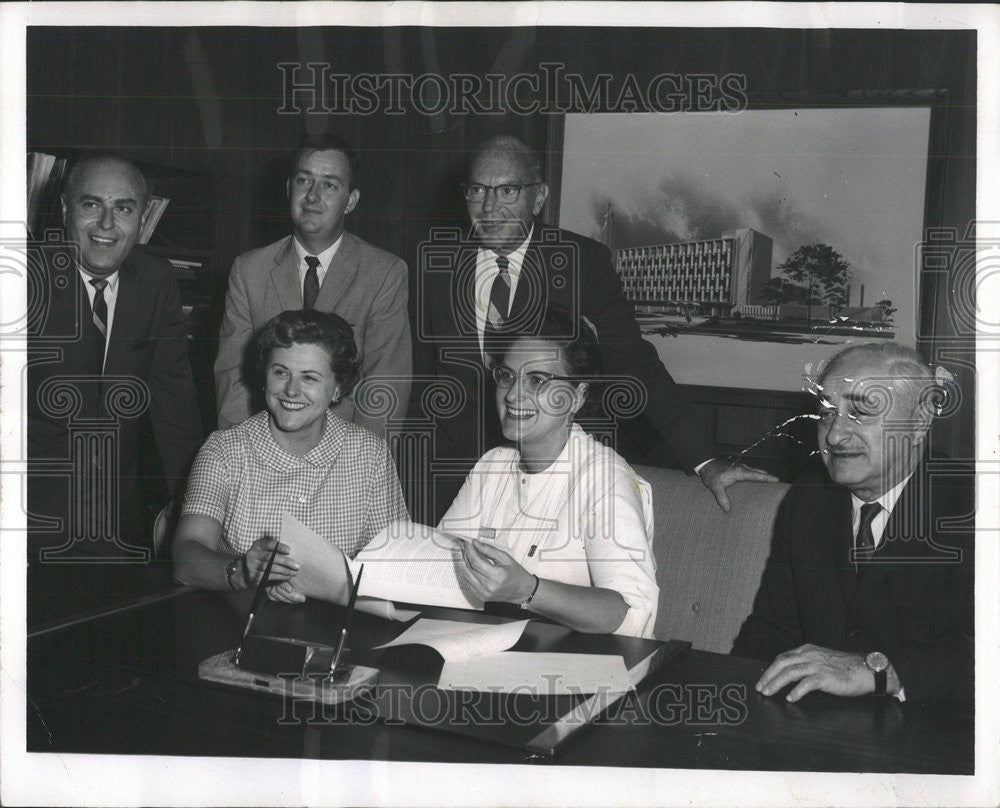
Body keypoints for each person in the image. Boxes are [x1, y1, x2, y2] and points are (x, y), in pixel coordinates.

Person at [413, 134, 773, 522]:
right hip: (451, 476)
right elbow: (417, 376)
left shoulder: (583, 262)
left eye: (508, 191)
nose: (489, 206)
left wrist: (704, 459)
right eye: (478, 190)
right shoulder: (436, 266)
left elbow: (634, 361)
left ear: (538, 198)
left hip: (554, 478)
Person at [731, 343, 973, 703]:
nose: (833, 435)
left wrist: (882, 672)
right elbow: (771, 629)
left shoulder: (975, 507)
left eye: (861, 411)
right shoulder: (808, 500)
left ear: (920, 422)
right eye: (827, 413)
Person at [439, 311, 659, 638]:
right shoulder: (492, 466)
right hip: (496, 652)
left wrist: (527, 590)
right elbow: (441, 564)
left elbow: (633, 613)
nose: (513, 394)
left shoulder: (604, 478)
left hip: (587, 668)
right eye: (506, 376)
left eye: (537, 380)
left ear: (578, 396)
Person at [27, 154, 203, 560]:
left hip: (116, 523)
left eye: (123, 208)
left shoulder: (156, 280)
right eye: (92, 205)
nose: (107, 224)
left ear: (143, 219)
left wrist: (194, 509)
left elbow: (174, 404)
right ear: (65, 209)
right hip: (27, 522)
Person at [174, 309, 408, 597]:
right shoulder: (224, 451)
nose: (291, 390)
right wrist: (241, 572)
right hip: (240, 622)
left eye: (309, 378)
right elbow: (186, 557)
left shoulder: (369, 455)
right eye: (281, 372)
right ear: (265, 376)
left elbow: (396, 563)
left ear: (337, 388)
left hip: (336, 626)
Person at [214, 133, 410, 437]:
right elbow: (233, 379)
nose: (313, 196)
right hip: (262, 454)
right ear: (289, 188)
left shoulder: (384, 273)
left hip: (346, 457)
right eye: (304, 181)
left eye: (330, 185)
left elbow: (385, 387)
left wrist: (356, 468)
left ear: (351, 201)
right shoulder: (249, 270)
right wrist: (244, 460)